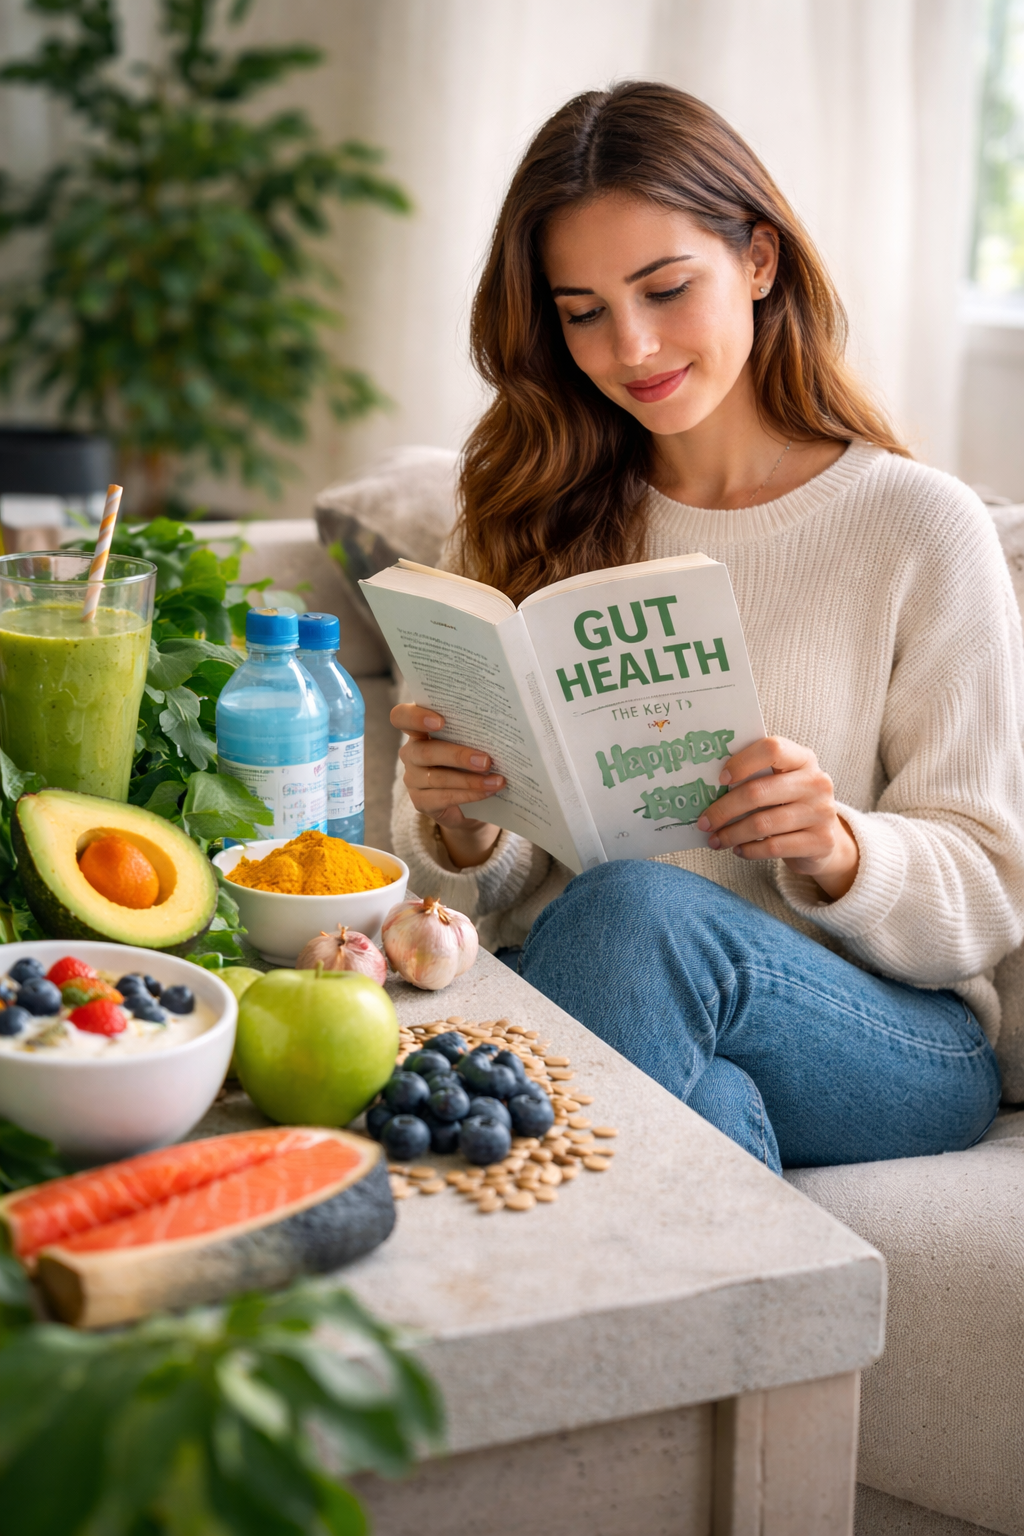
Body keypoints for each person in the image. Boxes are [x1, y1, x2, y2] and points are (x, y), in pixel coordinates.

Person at [390, 82, 1024, 1173]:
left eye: (664, 288)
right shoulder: (523, 512)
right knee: (701, 1101)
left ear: (760, 262)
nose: (628, 345)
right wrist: (460, 825)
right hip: (612, 998)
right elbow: (465, 898)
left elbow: (987, 890)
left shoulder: (916, 524)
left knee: (634, 908)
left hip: (883, 1033)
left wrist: (837, 850)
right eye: (582, 311)